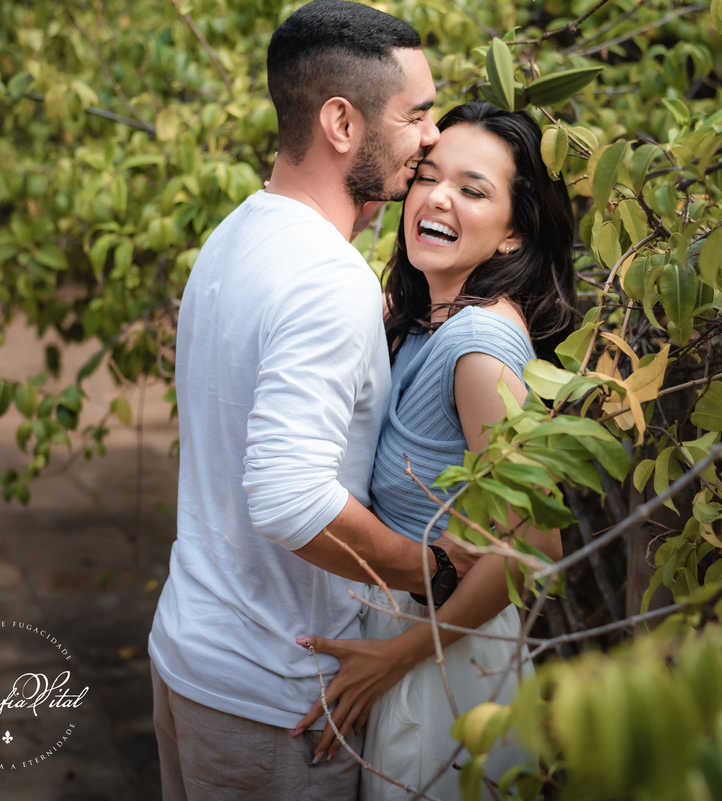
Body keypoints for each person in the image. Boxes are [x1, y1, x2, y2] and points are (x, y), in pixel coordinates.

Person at [147, 3, 477, 799]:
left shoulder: (236, 234)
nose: (432, 137)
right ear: (341, 122)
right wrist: (430, 571)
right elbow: (290, 497)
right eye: (417, 115)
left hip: (191, 653)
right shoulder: (328, 280)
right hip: (276, 692)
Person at [293, 102, 579, 801]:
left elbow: (532, 544)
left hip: (444, 658)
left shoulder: (478, 348)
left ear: (514, 234)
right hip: (421, 639)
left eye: (473, 189)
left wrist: (394, 659)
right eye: (426, 175)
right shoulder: (429, 318)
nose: (437, 197)